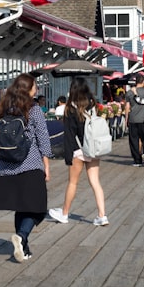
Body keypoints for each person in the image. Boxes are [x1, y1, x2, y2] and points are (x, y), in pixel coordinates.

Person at [0, 73, 50, 262]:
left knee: (21, 206)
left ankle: (24, 248)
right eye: (34, 86)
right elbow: (43, 138)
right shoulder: (34, 109)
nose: (36, 88)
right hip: (30, 164)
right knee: (37, 207)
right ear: (27, 89)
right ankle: (22, 237)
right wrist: (46, 164)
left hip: (7, 166)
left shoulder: (4, 108)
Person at [48, 77, 108, 226]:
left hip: (78, 149)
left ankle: (64, 213)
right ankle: (102, 215)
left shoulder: (71, 108)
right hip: (93, 147)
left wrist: (68, 156)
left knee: (73, 183)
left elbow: (69, 135)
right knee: (95, 182)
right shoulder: (92, 104)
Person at [126, 74, 144, 166]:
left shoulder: (129, 92)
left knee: (134, 140)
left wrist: (126, 119)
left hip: (133, 119)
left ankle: (137, 160)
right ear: (143, 82)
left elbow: (127, 107)